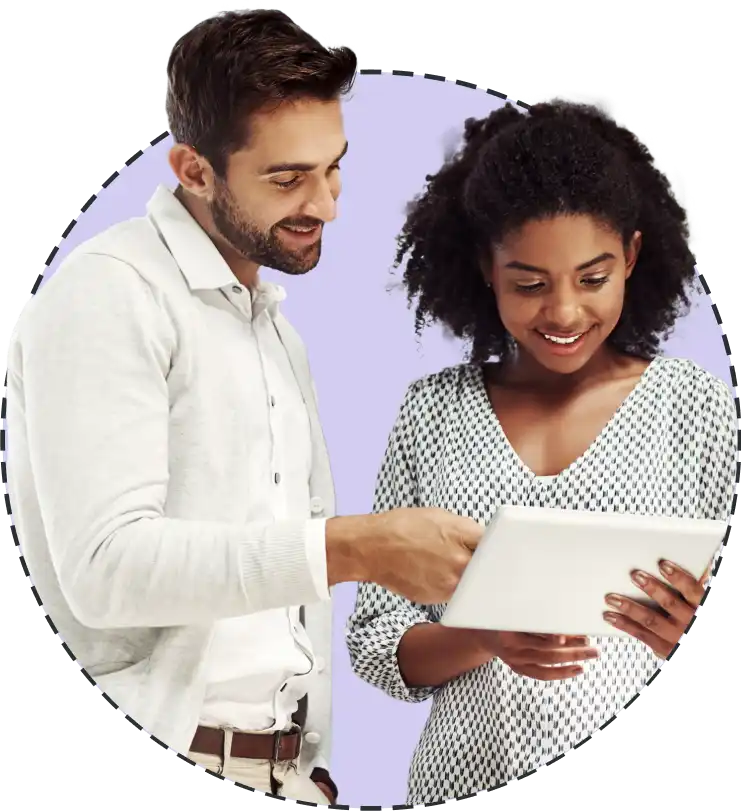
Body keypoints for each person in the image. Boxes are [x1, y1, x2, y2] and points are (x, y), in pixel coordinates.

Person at [4, 9, 482, 805]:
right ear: (193, 169)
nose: (327, 204)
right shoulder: (109, 295)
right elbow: (105, 570)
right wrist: (352, 549)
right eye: (288, 179)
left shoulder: (270, 329)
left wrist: (307, 768)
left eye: (334, 169)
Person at [345, 97, 737, 805]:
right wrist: (482, 635)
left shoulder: (695, 407)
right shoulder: (433, 412)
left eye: (593, 278)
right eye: (529, 283)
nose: (562, 313)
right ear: (485, 269)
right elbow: (376, 637)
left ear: (633, 257)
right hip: (458, 783)